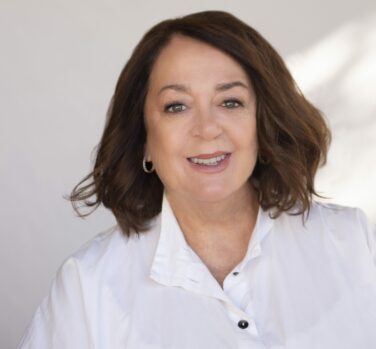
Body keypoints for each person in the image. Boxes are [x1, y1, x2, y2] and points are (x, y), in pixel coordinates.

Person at [19, 10, 376, 349]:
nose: (207, 129)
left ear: (264, 124)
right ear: (143, 138)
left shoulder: (354, 244)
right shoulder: (87, 286)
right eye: (177, 106)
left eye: (230, 102)